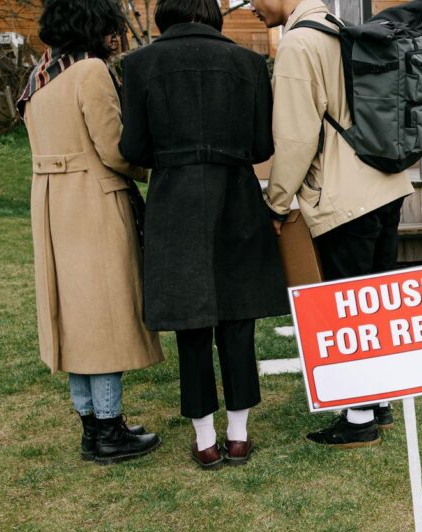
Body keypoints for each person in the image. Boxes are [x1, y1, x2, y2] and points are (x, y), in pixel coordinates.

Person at [119, 0, 287, 470]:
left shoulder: (139, 64)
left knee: (191, 323)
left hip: (175, 201)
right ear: (213, 15)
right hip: (235, 194)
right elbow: (262, 146)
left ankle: (204, 440)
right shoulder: (249, 63)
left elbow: (132, 147)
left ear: (164, 16)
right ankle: (238, 436)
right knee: (238, 317)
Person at [250, 0, 415, 449]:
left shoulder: (299, 43)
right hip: (386, 185)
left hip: (345, 197)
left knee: (349, 308)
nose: (251, 9)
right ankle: (379, 404)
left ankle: (358, 417)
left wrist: (277, 202)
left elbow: (296, 136)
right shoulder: (340, 30)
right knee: (375, 305)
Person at [18, 0, 164, 465]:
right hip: (94, 201)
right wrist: (154, 171)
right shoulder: (89, 72)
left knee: (75, 318)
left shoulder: (40, 76)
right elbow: (114, 148)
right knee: (104, 317)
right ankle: (109, 428)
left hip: (52, 204)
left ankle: (92, 427)